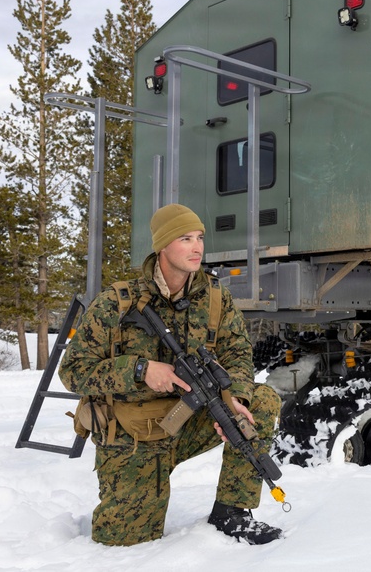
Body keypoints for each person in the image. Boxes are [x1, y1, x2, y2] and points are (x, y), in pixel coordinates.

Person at [59, 203, 283, 546]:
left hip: (191, 421)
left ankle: (232, 512)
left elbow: (238, 353)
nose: (197, 247)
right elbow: (72, 371)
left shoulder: (214, 296)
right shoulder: (117, 303)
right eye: (185, 238)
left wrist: (234, 398)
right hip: (135, 435)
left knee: (261, 401)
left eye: (199, 238)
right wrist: (139, 370)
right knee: (123, 544)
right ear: (162, 246)